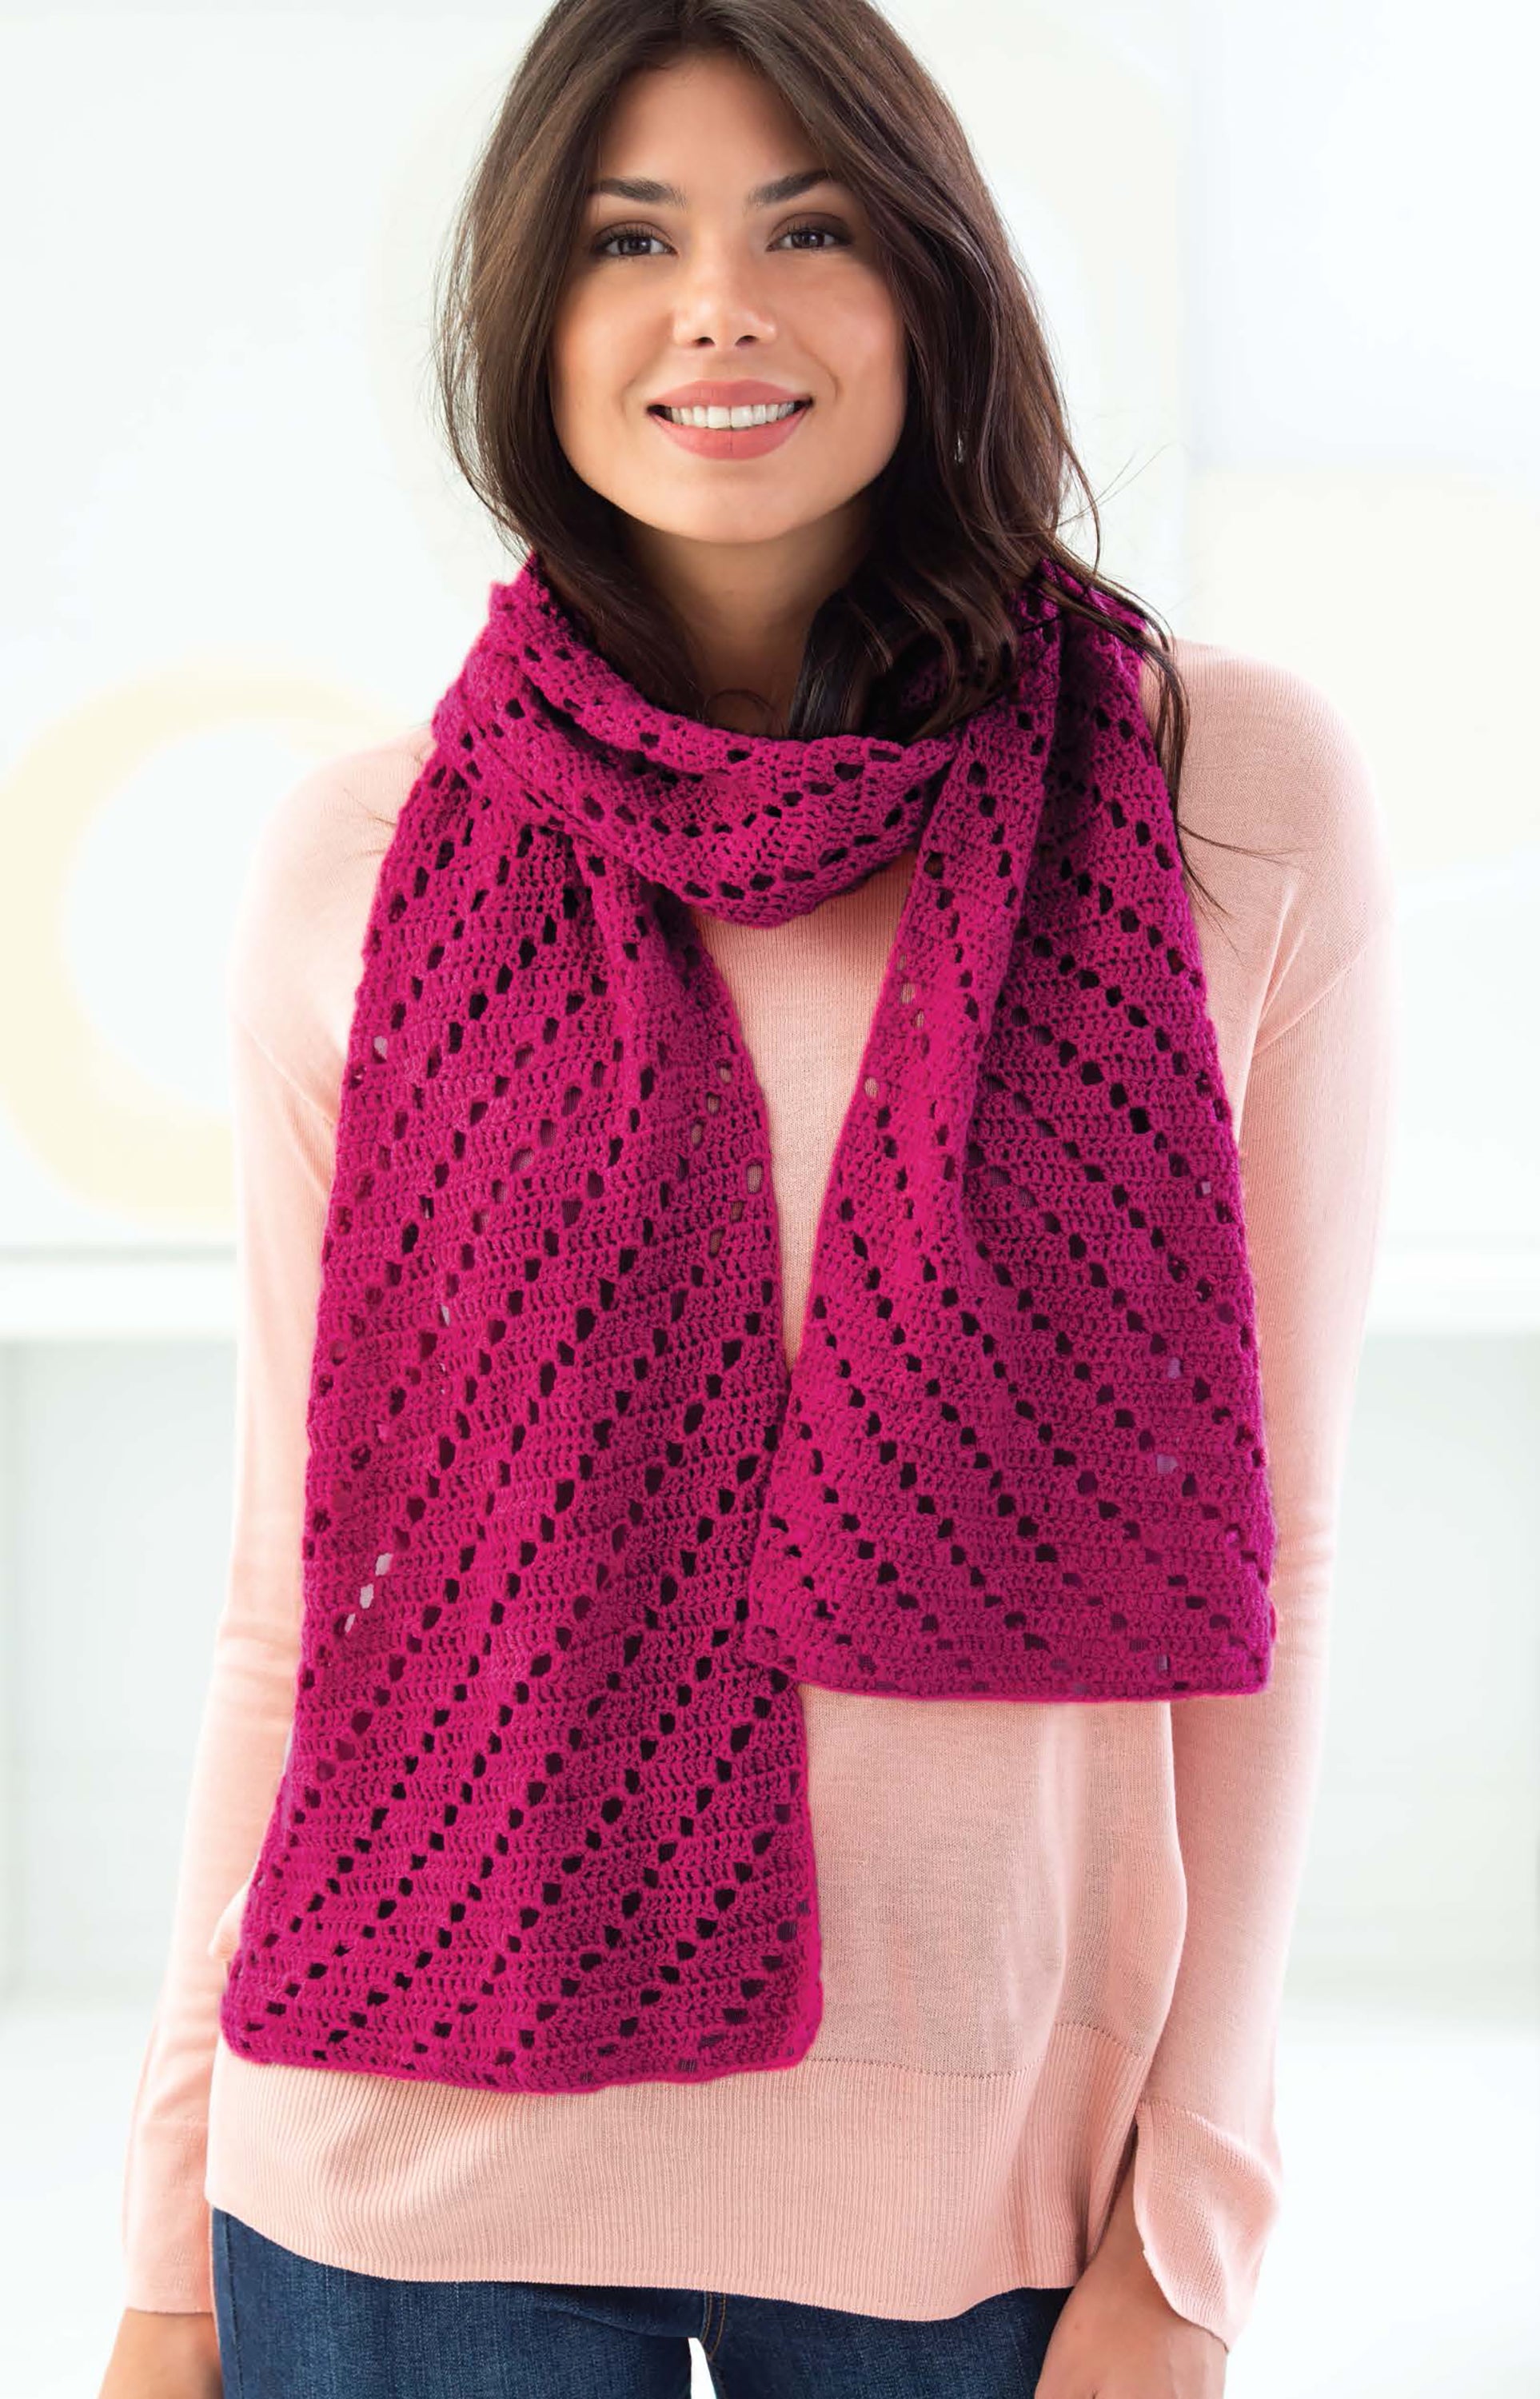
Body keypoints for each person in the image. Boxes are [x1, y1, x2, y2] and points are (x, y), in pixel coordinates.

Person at [99, 4, 1396, 2395]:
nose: (718, 303)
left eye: (807, 227)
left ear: (931, 289)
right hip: (400, 2160)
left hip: (991, 2186)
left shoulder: (1225, 800)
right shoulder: (356, 862)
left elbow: (1278, 1568)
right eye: (632, 237)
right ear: (535, 318)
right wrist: (165, 2263)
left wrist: (1193, 2231)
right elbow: (293, 1605)